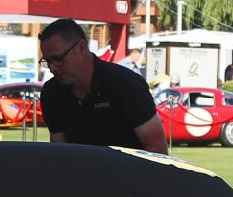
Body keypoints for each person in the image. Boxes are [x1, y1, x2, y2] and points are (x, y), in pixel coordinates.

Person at [36, 18, 167, 153]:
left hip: (127, 172)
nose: (52, 68)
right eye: (47, 61)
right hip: (79, 172)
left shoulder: (125, 85)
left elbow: (157, 148)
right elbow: (60, 153)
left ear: (81, 48)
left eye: (58, 59)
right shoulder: (51, 93)